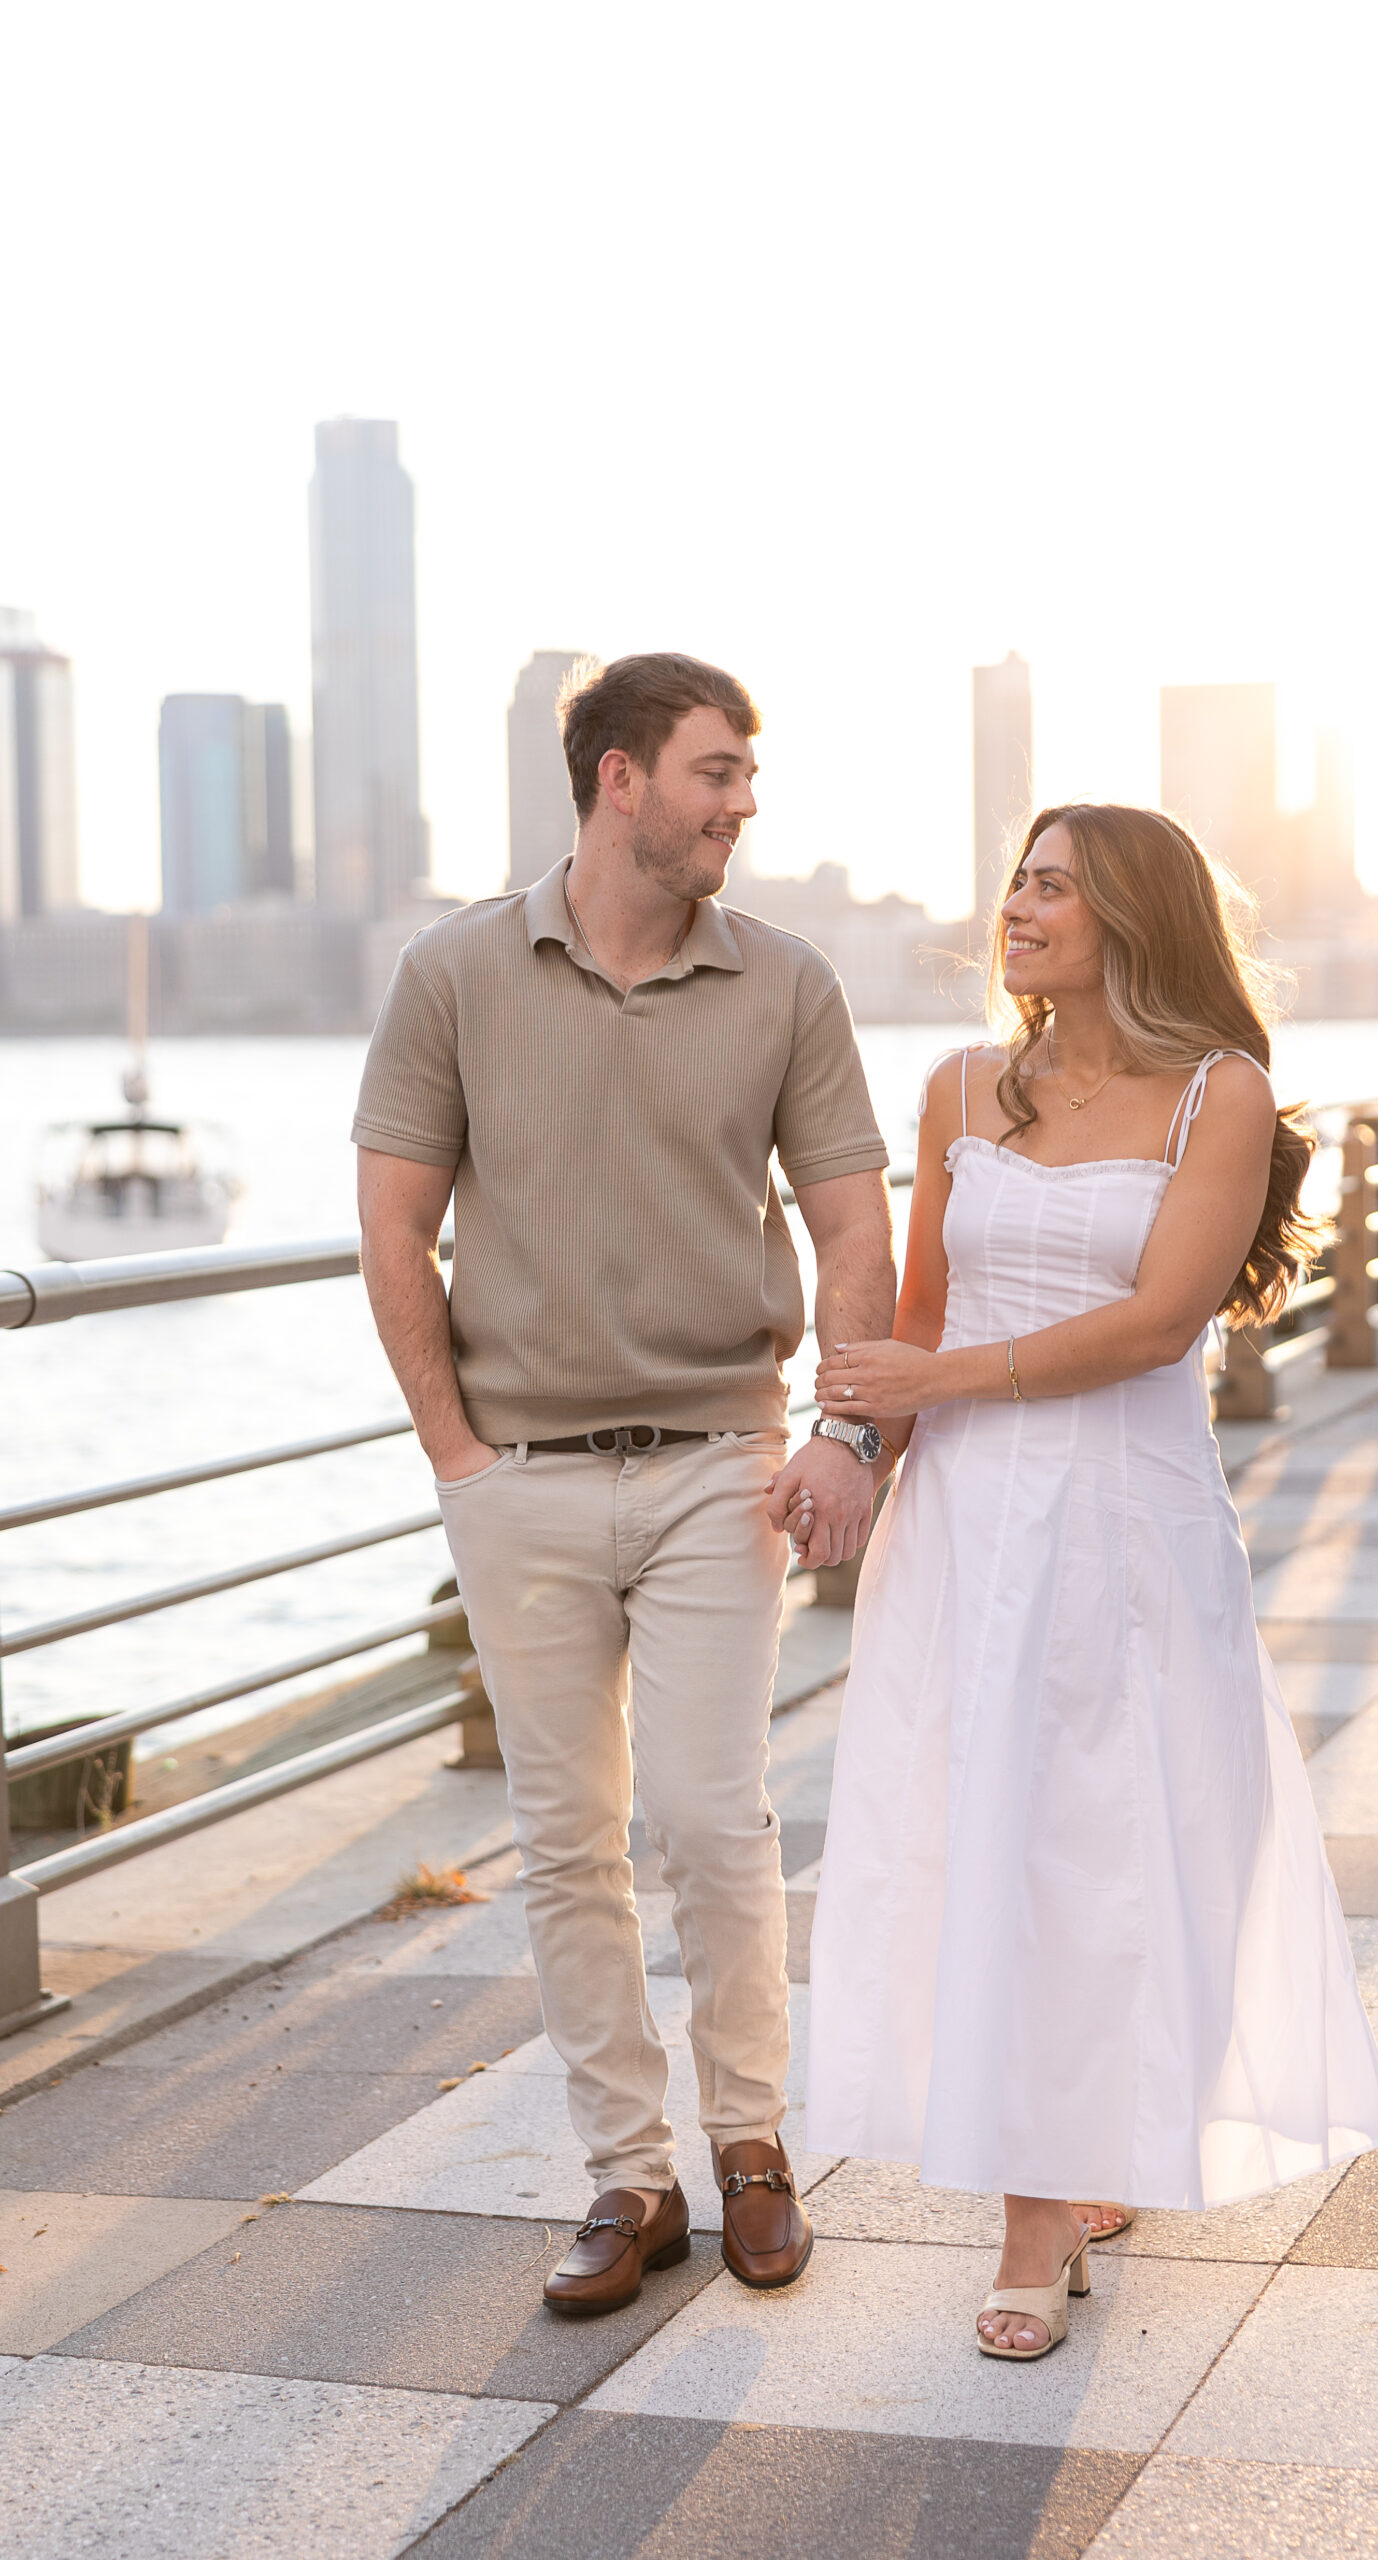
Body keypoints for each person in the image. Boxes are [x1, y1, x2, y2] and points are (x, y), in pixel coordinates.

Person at [806, 803, 1378, 2360]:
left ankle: (1075, 2167)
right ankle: (1032, 2208)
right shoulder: (954, 1085)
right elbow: (916, 1310)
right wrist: (853, 1454)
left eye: (1055, 884)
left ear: (1131, 915)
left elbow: (1154, 1324)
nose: (1018, 903)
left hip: (1124, 1522)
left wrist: (943, 1372)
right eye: (1017, 876)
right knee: (986, 1841)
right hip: (965, 1525)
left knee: (1108, 1849)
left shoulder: (1222, 1093)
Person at [354, 651, 896, 2314]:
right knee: (563, 1837)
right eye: (717, 773)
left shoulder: (787, 982)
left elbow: (855, 1224)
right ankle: (624, 2177)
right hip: (514, 1474)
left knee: (708, 1821)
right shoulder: (454, 972)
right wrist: (453, 1452)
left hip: (718, 1470)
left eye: (744, 775)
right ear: (619, 783)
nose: (743, 802)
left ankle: (749, 2147)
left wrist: (843, 1431)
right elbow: (392, 1224)